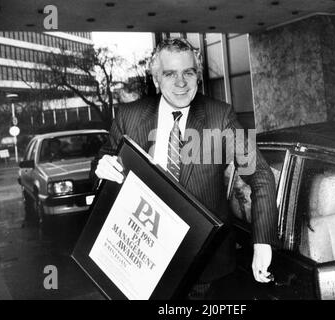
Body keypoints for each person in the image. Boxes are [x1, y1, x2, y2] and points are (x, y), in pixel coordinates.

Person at [94, 38, 278, 299]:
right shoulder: (129, 116)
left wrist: (262, 242)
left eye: (188, 73)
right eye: (170, 74)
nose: (181, 82)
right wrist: (101, 167)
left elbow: (260, 175)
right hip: (141, 265)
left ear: (198, 77)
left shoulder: (220, 116)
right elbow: (104, 158)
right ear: (156, 79)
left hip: (204, 267)